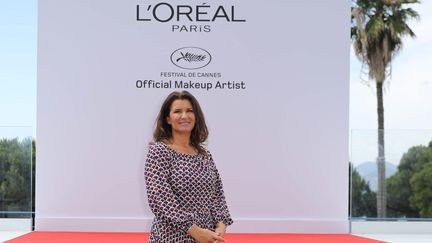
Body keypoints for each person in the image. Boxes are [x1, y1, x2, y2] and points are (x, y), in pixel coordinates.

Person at [145, 90, 233, 242]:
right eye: (178, 111)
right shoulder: (159, 152)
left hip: (208, 238)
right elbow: (161, 200)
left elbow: (217, 195)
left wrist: (220, 227)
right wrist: (195, 231)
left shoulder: (204, 154)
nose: (184, 116)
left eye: (190, 111)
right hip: (172, 237)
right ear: (168, 118)